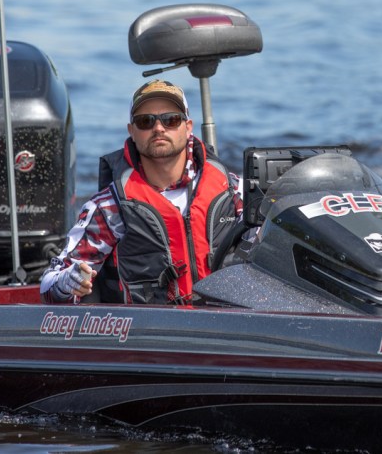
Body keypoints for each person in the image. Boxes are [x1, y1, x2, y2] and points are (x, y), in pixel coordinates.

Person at [40, 79, 243, 305]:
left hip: (227, 321)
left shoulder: (234, 191)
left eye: (171, 119)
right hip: (151, 326)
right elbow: (49, 284)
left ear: (188, 127)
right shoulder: (109, 207)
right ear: (132, 132)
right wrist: (68, 282)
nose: (159, 128)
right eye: (145, 121)